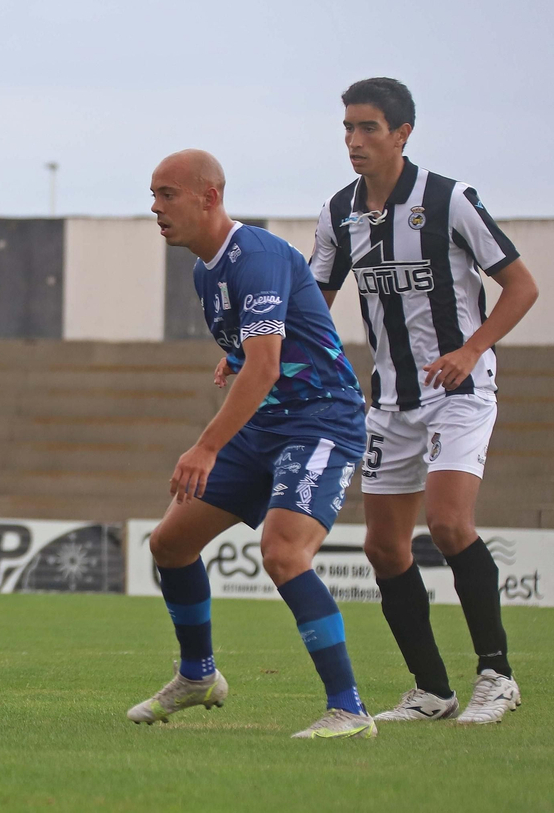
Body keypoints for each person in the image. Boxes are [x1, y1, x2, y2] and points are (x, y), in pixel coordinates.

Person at [312, 77, 539, 724]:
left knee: (446, 523)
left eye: (368, 128)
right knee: (384, 549)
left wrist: (472, 349)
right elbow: (311, 301)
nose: (355, 141)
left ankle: (496, 676)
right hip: (387, 402)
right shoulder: (339, 213)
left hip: (460, 391)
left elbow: (522, 287)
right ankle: (432, 692)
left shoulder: (449, 200)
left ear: (402, 133)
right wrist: (253, 351)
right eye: (348, 128)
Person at [128, 150, 376, 738]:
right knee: (169, 544)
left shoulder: (255, 255)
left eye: (167, 194)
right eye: (153, 195)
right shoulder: (203, 268)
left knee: (283, 553)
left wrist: (206, 446)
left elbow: (265, 368)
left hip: (321, 420)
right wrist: (234, 357)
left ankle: (349, 709)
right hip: (266, 424)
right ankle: (197, 676)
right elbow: (261, 352)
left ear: (208, 197)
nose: (155, 208)